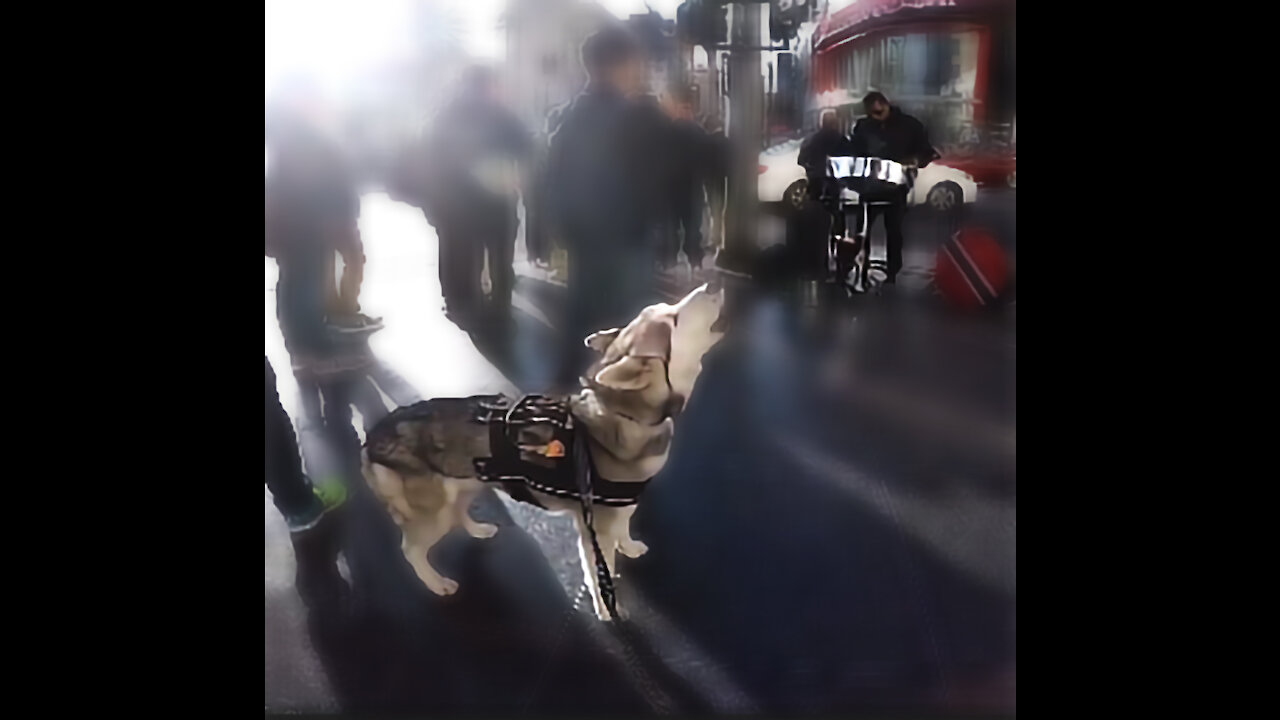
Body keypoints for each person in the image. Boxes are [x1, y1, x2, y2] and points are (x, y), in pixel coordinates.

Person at [546, 25, 662, 387]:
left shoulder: (568, 119)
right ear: (617, 64)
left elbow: (553, 183)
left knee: (580, 326)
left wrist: (566, 231)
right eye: (633, 63)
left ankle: (564, 403)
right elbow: (652, 179)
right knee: (628, 331)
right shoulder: (634, 118)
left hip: (586, 240)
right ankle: (615, 412)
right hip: (626, 239)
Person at [420, 65, 532, 328]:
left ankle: (459, 303)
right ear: (489, 85)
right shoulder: (501, 114)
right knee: (499, 253)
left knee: (455, 253)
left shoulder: (443, 116)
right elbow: (526, 148)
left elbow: (426, 160)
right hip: (496, 198)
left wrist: (431, 200)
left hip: (453, 203)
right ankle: (500, 304)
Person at [849, 91, 939, 284]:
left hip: (896, 187)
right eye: (872, 114)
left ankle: (892, 272)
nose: (876, 117)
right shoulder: (863, 127)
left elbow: (926, 151)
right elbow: (854, 153)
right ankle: (860, 267)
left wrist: (915, 161)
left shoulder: (909, 125)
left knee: (894, 231)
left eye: (879, 113)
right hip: (869, 187)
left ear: (886, 105)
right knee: (862, 230)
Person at [661, 85, 708, 274]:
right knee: (691, 227)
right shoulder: (698, 132)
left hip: (674, 187)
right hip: (691, 186)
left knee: (673, 227)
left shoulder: (668, 132)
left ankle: (670, 262)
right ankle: (694, 261)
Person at [701, 114, 730, 254]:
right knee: (720, 211)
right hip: (723, 180)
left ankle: (713, 240)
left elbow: (704, 163)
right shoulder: (727, 141)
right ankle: (720, 241)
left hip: (710, 181)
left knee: (712, 211)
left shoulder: (707, 142)